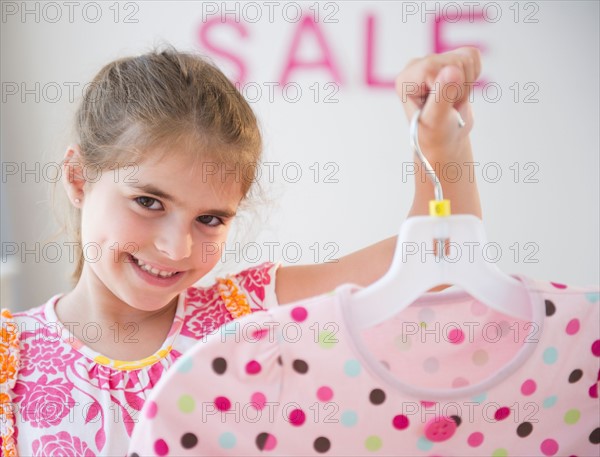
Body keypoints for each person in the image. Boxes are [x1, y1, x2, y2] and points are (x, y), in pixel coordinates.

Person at [0, 46, 482, 456]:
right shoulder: (11, 358)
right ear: (79, 178)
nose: (176, 247)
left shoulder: (254, 317)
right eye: (148, 202)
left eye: (209, 219)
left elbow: (437, 260)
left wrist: (442, 148)